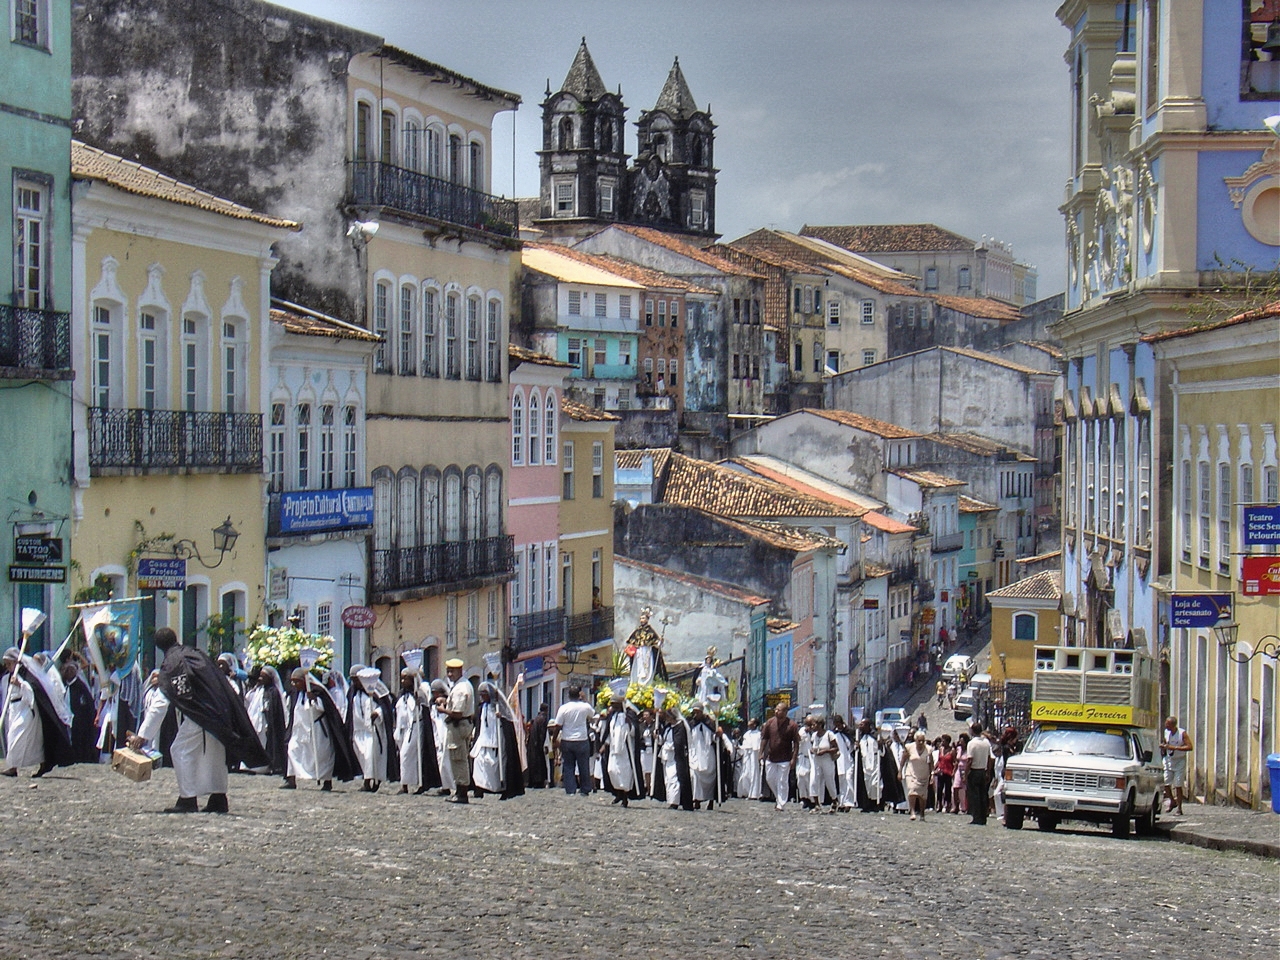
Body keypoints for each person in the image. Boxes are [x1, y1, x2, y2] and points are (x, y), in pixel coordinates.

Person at [129, 627, 266, 813]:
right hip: (219, 710)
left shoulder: (172, 663)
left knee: (179, 750)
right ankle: (218, 797)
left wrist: (143, 736)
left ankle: (187, 799)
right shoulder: (195, 654)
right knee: (214, 752)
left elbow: (161, 703)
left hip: (200, 713)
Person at [2, 647, 73, 777]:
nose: (7, 667)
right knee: (13, 738)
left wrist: (20, 684)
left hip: (25, 711)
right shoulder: (9, 676)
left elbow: (32, 690)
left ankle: (38, 764)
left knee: (17, 738)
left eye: (9, 664)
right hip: (14, 710)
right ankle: (13, 767)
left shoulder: (25, 674)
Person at [283, 668, 355, 791]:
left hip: (317, 730)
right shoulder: (295, 693)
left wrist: (314, 699)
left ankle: (327, 781)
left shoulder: (318, 691)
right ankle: (291, 779)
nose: (294, 685)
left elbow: (325, 708)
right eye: (292, 682)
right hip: (299, 730)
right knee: (292, 751)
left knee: (322, 756)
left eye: (297, 682)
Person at [394, 667, 440, 796]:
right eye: (402, 678)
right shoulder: (402, 694)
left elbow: (423, 710)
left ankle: (420, 782)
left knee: (406, 754)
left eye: (406, 678)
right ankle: (405, 784)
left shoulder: (419, 693)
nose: (403, 681)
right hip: (403, 728)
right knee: (403, 756)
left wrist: (418, 700)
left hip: (416, 726)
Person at [434, 658, 474, 803]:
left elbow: (457, 712)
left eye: (453, 671)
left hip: (458, 726)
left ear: (460, 671)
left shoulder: (460, 689)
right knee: (457, 757)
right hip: (461, 724)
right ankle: (459, 790)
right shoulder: (462, 685)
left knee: (458, 758)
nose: (450, 674)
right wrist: (446, 701)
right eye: (448, 671)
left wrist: (443, 710)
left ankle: (462, 792)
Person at [349, 667, 390, 792]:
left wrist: (377, 713)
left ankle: (371, 782)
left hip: (372, 730)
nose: (355, 683)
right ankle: (367, 780)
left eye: (357, 680)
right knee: (363, 757)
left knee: (370, 756)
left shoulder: (376, 692)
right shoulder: (353, 693)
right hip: (359, 729)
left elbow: (385, 707)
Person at [550, 685, 595, 796]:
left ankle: (570, 789)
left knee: (569, 766)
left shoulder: (564, 708)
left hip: (567, 740)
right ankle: (585, 789)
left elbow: (558, 725)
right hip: (582, 739)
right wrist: (585, 700)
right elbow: (593, 714)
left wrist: (554, 739)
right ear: (579, 695)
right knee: (583, 765)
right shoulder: (585, 707)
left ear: (568, 696)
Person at [601, 695, 643, 807]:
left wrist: (629, 723)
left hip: (625, 750)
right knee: (612, 770)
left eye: (615, 703)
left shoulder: (629, 715)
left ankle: (624, 796)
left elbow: (634, 732)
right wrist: (605, 744)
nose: (613, 706)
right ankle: (618, 792)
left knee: (624, 773)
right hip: (614, 749)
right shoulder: (613, 716)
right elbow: (609, 732)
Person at [245, 665, 287, 776]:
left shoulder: (273, 692)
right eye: (260, 676)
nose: (260, 679)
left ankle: (265, 766)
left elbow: (273, 708)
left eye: (263, 677)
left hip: (266, 722)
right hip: (256, 720)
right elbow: (249, 699)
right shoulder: (259, 690)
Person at [759, 702, 800, 810]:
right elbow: (764, 739)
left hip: (785, 758)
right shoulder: (770, 722)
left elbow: (796, 743)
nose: (776, 711)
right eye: (776, 709)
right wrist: (761, 753)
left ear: (785, 712)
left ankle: (781, 803)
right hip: (771, 757)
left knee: (782, 780)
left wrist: (793, 759)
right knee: (770, 778)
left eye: (779, 710)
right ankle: (779, 797)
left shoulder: (792, 725)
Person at [654, 704, 693, 810]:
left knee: (674, 779)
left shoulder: (680, 727)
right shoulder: (668, 727)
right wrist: (658, 737)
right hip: (666, 757)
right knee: (668, 779)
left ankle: (674, 802)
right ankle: (670, 800)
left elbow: (678, 743)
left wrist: (668, 746)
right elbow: (663, 740)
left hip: (675, 758)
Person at [686, 702, 719, 810]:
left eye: (697, 712)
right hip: (695, 752)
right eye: (694, 712)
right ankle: (696, 799)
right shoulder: (691, 724)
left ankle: (710, 800)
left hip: (707, 753)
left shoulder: (710, 723)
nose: (696, 714)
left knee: (710, 776)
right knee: (695, 775)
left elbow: (714, 739)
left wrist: (717, 735)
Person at [1161, 716, 1192, 816]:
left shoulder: (1182, 733)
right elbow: (1166, 743)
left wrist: (1174, 747)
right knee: (1165, 782)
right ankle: (1172, 801)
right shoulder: (1166, 732)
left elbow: (1189, 747)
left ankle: (1179, 808)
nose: (1166, 725)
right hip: (1169, 759)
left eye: (1168, 724)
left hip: (1179, 761)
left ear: (1173, 725)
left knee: (1178, 784)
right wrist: (1164, 746)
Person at [809, 715, 840, 812]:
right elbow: (812, 746)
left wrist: (825, 751)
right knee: (813, 780)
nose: (812, 727)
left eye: (814, 724)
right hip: (816, 760)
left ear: (820, 725)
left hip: (827, 760)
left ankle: (834, 800)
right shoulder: (814, 736)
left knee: (829, 781)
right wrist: (812, 750)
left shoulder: (829, 734)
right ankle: (817, 804)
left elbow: (836, 748)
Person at [900, 731, 934, 820]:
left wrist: (932, 774)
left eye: (923, 741)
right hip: (911, 772)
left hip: (923, 774)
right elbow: (903, 760)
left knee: (922, 796)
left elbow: (931, 763)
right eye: (919, 741)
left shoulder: (929, 749)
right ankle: (912, 811)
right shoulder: (909, 747)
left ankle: (922, 813)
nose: (921, 743)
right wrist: (900, 771)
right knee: (912, 791)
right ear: (915, 740)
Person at [965, 722, 993, 825]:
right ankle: (983, 817)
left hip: (974, 770)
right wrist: (988, 772)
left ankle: (976, 817)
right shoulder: (986, 742)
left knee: (974, 795)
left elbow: (969, 760)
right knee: (982, 795)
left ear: (972, 731)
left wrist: (965, 774)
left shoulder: (972, 743)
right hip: (983, 770)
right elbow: (990, 758)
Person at [855, 718, 884, 812]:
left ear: (868, 725)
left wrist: (881, 745)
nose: (860, 726)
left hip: (875, 763)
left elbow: (883, 753)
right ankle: (867, 804)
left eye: (862, 724)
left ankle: (876, 803)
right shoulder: (860, 738)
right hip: (865, 763)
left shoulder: (875, 736)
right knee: (867, 784)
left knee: (875, 784)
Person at [736, 717, 763, 800]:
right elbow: (745, 746)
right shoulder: (746, 734)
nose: (748, 722)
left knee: (754, 774)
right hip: (747, 755)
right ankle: (745, 792)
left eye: (751, 721)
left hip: (754, 755)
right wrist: (740, 748)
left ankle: (754, 794)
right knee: (745, 774)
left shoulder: (758, 734)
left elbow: (757, 746)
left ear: (754, 724)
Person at [525, 702, 550, 789]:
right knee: (539, 764)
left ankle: (534, 781)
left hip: (533, 744)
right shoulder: (543, 718)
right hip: (538, 744)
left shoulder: (537, 718)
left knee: (534, 763)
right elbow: (542, 733)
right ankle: (538, 781)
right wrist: (542, 745)